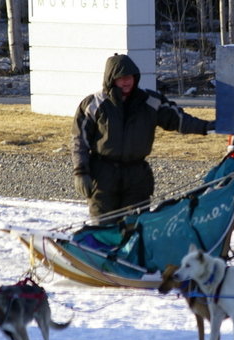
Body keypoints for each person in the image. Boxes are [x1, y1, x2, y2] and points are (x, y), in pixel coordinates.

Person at [71, 54, 214, 220]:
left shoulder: (150, 101)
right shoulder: (93, 104)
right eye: (121, 77)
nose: (126, 81)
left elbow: (179, 120)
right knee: (104, 229)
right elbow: (79, 141)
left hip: (137, 176)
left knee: (137, 226)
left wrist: (206, 127)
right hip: (103, 175)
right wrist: (81, 172)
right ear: (111, 78)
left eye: (130, 77)